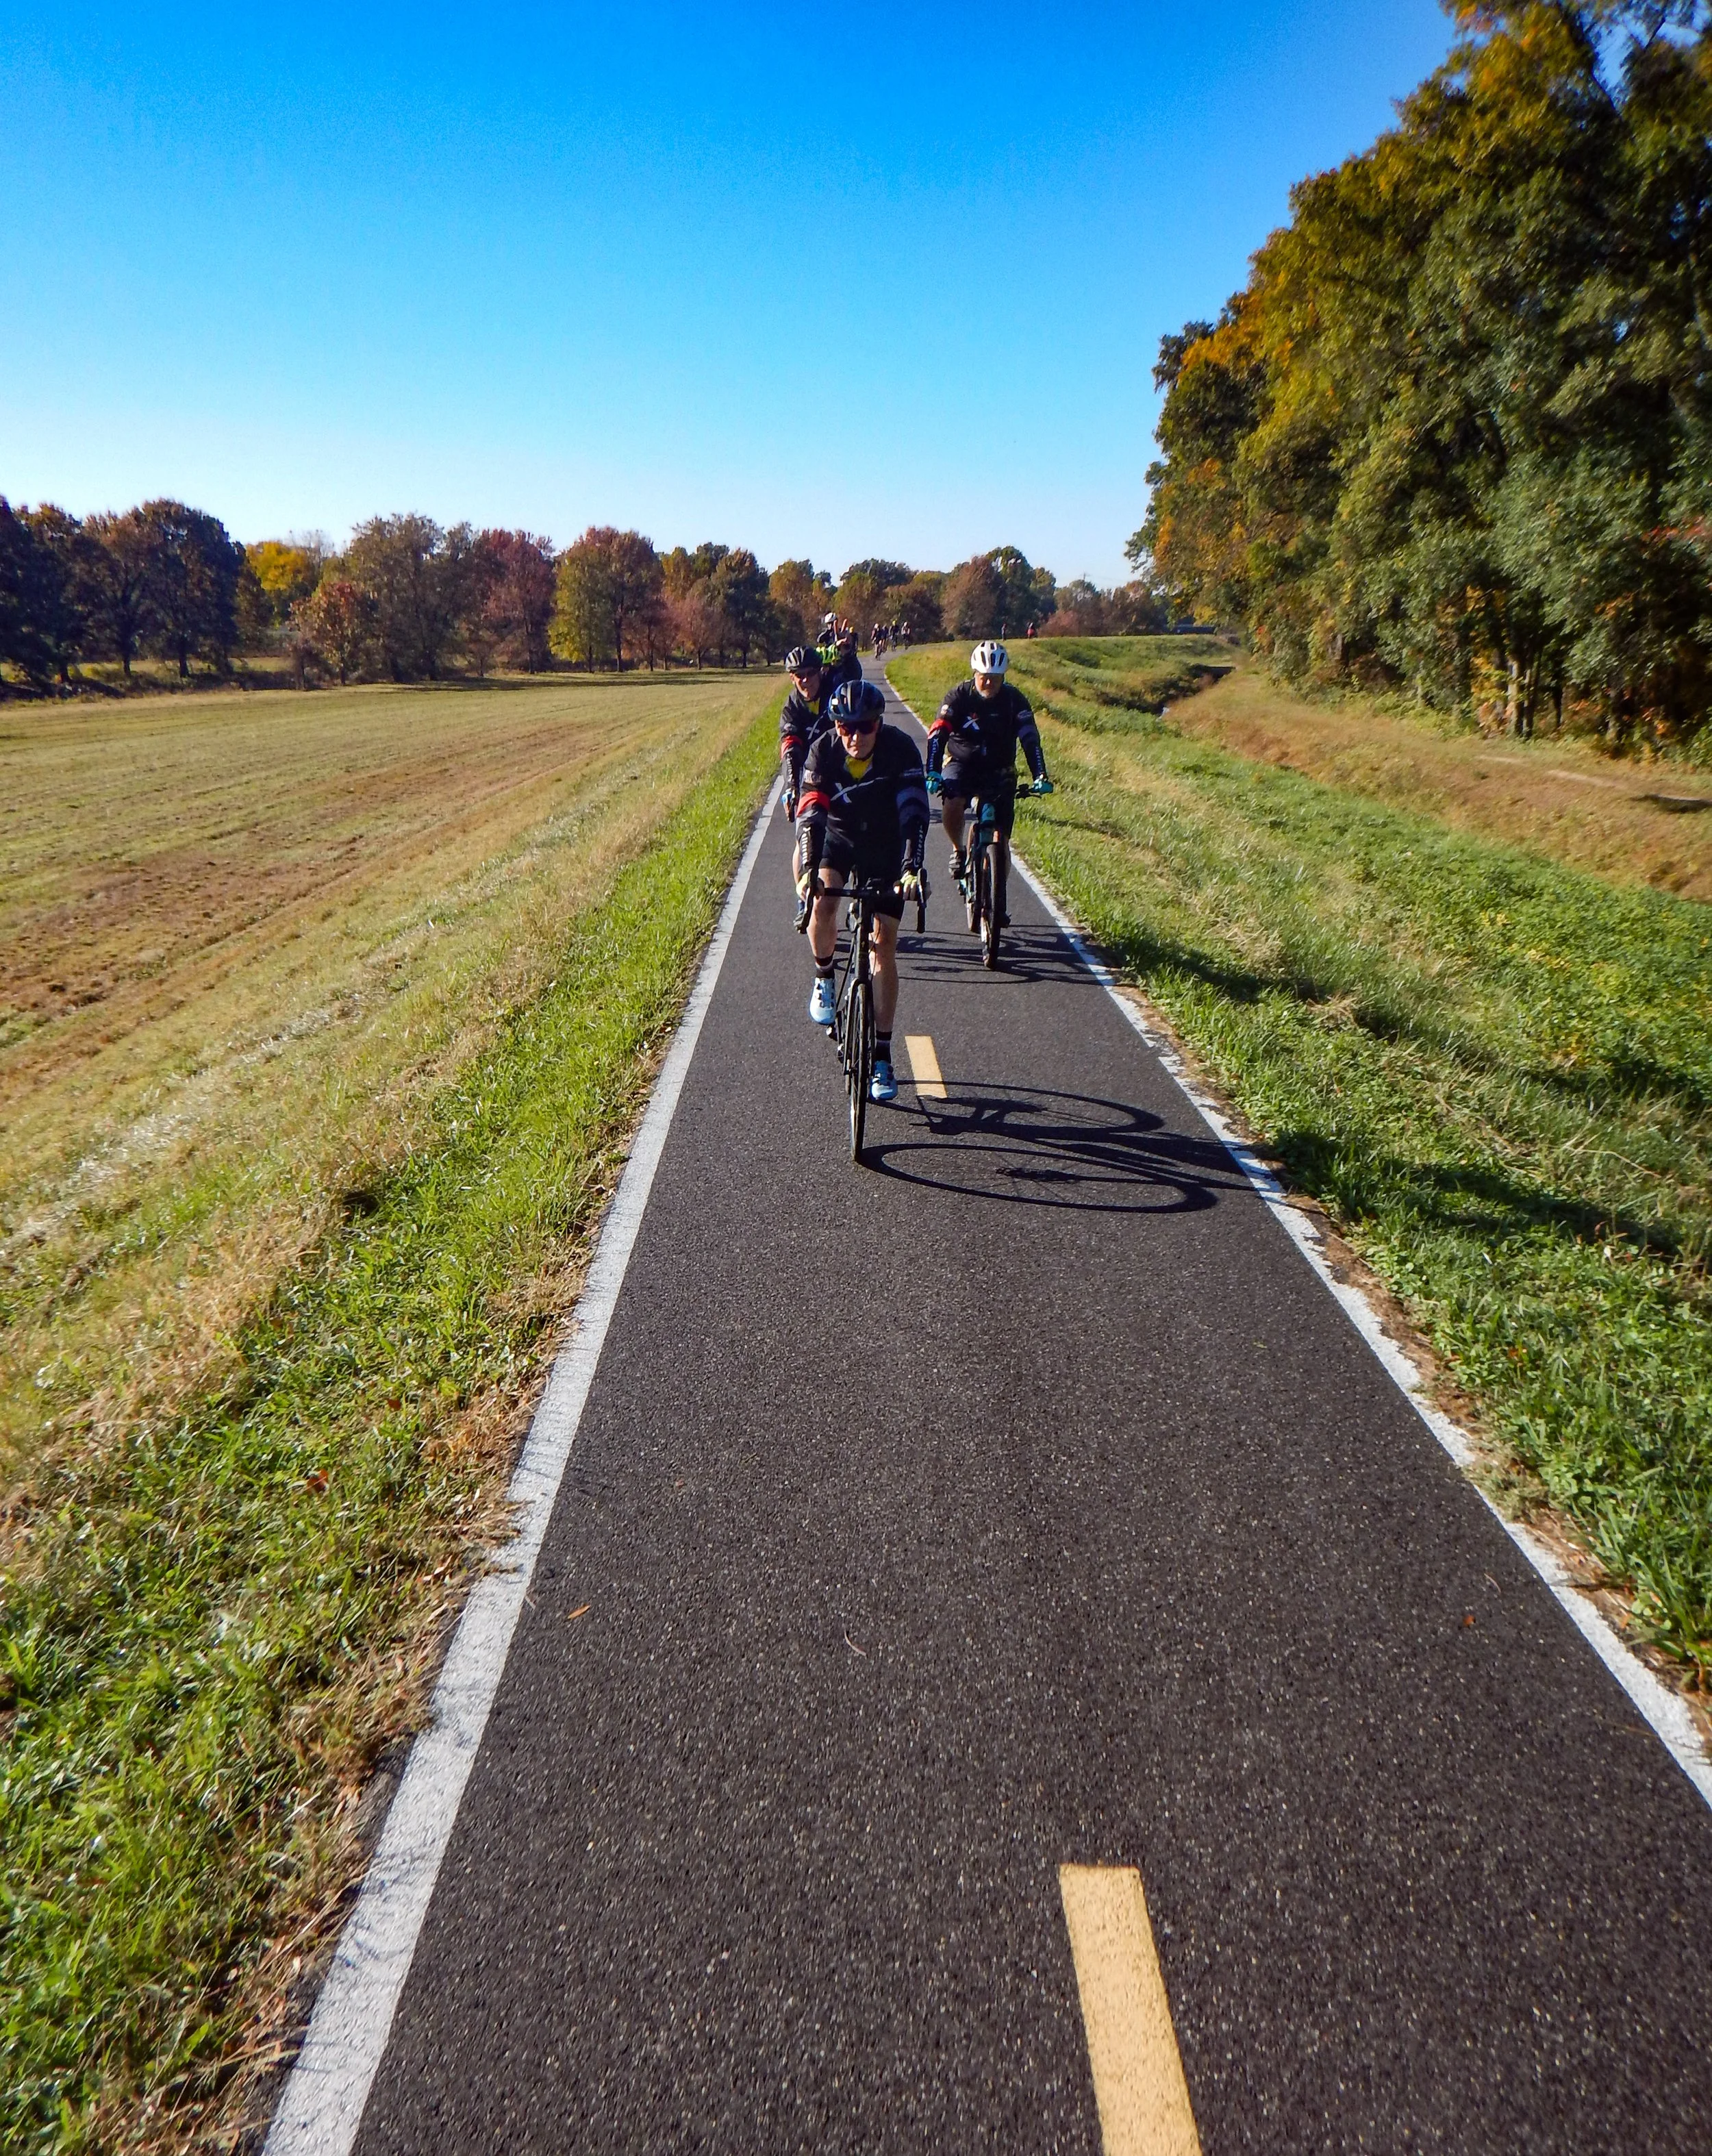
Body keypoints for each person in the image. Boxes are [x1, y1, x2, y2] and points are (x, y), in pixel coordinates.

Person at [795, 678, 928, 1104]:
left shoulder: (902, 749)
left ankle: (883, 1055)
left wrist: (911, 869)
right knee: (824, 900)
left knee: (883, 943)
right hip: (838, 839)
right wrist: (810, 868)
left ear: (878, 724)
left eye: (864, 727)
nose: (854, 736)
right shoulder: (823, 752)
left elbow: (914, 812)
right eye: (845, 727)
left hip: (888, 847)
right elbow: (811, 812)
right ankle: (823, 976)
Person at [924, 640, 1053, 926]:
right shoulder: (959, 696)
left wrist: (1040, 774)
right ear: (974, 673)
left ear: (1004, 676)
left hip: (1000, 767)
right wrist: (932, 771)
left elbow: (1030, 738)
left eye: (995, 678)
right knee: (954, 798)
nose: (989, 682)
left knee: (1001, 839)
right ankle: (958, 849)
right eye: (984, 676)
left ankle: (998, 896)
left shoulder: (1014, 700)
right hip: (962, 763)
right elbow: (938, 734)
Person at [778, 640, 862, 820]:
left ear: (820, 672)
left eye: (811, 673)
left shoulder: (833, 686)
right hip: (812, 767)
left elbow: (853, 676)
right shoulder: (791, 708)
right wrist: (791, 786)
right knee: (807, 833)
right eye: (800, 676)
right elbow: (790, 749)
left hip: (841, 760)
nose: (806, 680)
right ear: (792, 678)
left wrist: (848, 654)